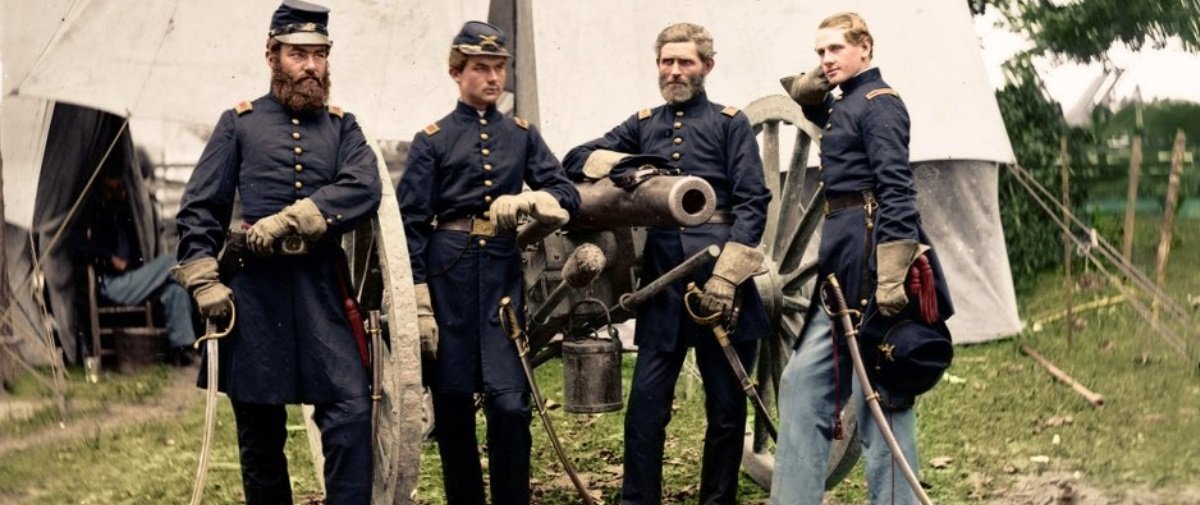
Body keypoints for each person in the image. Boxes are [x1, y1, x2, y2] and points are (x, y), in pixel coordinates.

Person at [171, 1, 381, 503]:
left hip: (321, 294)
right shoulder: (238, 123)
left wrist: (296, 219)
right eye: (299, 54)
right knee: (260, 436)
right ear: (272, 55)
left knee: (351, 412)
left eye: (320, 54)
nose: (312, 66)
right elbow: (200, 207)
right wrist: (204, 280)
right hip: (254, 295)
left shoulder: (342, 127)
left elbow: (363, 186)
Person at [562, 22, 771, 505]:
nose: (674, 71)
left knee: (724, 409)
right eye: (666, 62)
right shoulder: (643, 123)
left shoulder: (729, 122)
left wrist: (727, 277)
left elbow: (753, 202)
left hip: (721, 282)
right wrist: (631, 167)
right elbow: (578, 157)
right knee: (646, 408)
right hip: (663, 286)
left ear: (707, 67)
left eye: (685, 62)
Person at [770, 12, 955, 504]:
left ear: (866, 49)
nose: (826, 60)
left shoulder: (879, 104)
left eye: (835, 49)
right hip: (840, 257)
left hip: (874, 257)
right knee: (801, 385)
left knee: (881, 401)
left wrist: (892, 275)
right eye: (820, 52)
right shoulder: (841, 103)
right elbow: (800, 94)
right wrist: (821, 77)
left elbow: (898, 191)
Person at [396, 21, 580, 505]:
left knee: (510, 406)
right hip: (448, 277)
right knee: (453, 407)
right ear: (457, 72)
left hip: (501, 277)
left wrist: (531, 200)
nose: (493, 78)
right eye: (481, 68)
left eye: (499, 68)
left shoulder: (521, 135)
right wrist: (419, 299)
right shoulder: (432, 140)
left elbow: (566, 193)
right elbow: (410, 224)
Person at [76, 173, 195, 362]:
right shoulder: (97, 217)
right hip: (113, 284)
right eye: (110, 190)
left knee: (175, 291)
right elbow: (79, 247)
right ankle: (203, 285)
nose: (115, 195)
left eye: (119, 189)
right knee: (170, 262)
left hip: (134, 280)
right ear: (102, 192)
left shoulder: (129, 216)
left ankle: (182, 349)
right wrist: (110, 258)